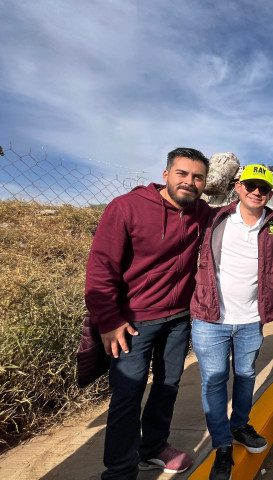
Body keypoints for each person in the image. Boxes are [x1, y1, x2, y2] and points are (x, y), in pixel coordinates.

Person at [85, 147, 212, 479]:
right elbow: (100, 268)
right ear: (166, 174)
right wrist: (109, 320)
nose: (190, 182)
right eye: (182, 174)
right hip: (133, 320)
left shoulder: (201, 211)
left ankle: (154, 447)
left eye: (198, 177)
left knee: (168, 384)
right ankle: (120, 471)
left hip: (179, 317)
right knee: (128, 395)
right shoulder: (126, 207)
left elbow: (237, 212)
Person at [190, 164, 273, 480]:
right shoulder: (215, 217)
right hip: (210, 318)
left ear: (270, 193)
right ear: (238, 187)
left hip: (251, 319)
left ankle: (240, 425)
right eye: (251, 186)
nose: (257, 191)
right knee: (214, 381)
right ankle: (222, 447)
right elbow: (186, 192)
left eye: (263, 188)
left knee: (245, 374)